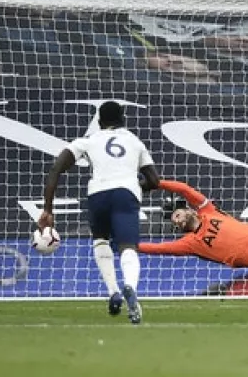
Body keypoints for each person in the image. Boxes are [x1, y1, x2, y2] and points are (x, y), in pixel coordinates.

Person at [37, 101, 160, 325]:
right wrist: (136, 185)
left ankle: (113, 292)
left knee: (101, 241)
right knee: (127, 248)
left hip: (98, 194)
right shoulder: (135, 142)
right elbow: (154, 180)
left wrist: (48, 209)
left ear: (100, 122)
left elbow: (56, 168)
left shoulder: (88, 140)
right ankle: (130, 287)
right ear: (123, 119)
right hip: (126, 193)